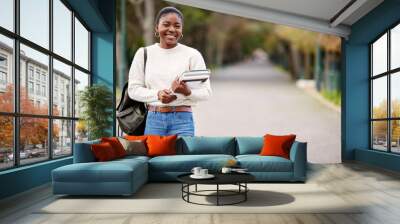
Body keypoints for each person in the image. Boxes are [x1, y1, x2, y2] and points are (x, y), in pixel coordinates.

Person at [128, 6, 212, 137]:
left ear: (181, 30)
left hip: (182, 120)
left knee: (182, 158)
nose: (172, 29)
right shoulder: (144, 53)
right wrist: (158, 94)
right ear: (157, 27)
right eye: (166, 24)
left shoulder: (192, 55)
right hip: (153, 120)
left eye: (177, 26)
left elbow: (206, 92)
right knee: (155, 157)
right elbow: (133, 90)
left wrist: (187, 92)